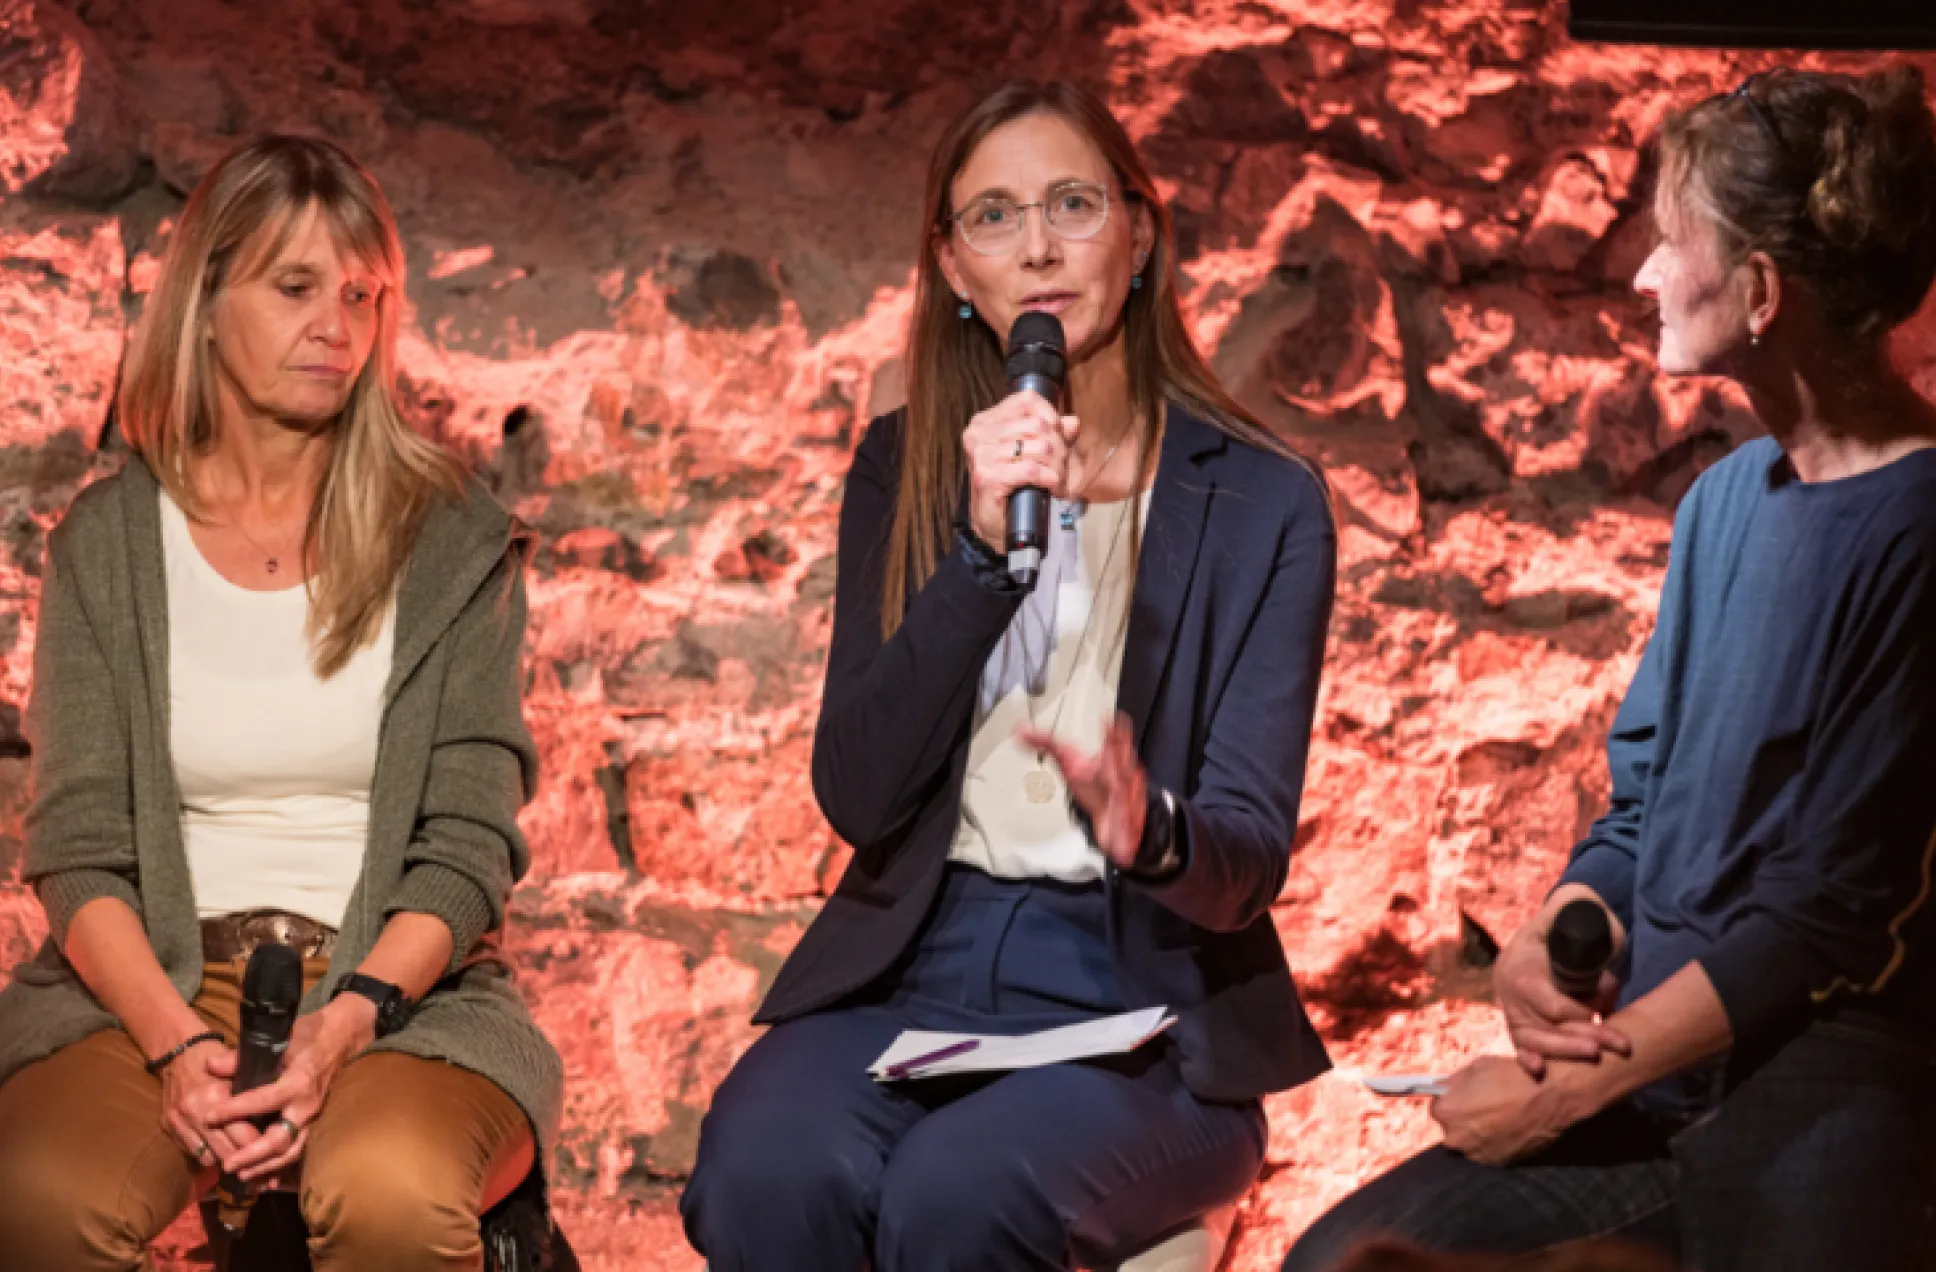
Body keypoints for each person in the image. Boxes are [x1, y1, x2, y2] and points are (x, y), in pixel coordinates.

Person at [1282, 65, 1936, 1272]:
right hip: (1644, 1067)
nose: (1639, 274)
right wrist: (1565, 922)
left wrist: (1555, 1097)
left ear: (1756, 290)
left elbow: (1831, 909)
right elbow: (1642, 804)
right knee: (1339, 1259)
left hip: (1820, 1064)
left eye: (1669, 240)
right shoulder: (1722, 507)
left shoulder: (1917, 526)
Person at [680, 78, 1337, 1269]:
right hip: (918, 960)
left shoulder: (1264, 502)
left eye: (1072, 204)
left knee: (957, 1194)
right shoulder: (908, 466)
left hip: (1141, 991)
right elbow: (858, 794)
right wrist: (980, 560)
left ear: (1138, 235)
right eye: (991, 217)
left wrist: (1154, 828)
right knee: (761, 1172)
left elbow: (1245, 865)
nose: (1035, 246)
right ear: (950, 267)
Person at [0, 134, 563, 1272]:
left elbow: (464, 847)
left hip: (391, 989)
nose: (337, 326)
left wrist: (342, 1023)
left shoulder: (450, 540)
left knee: (390, 1192)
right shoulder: (107, 548)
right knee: (37, 1199)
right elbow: (77, 848)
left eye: (362, 294)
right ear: (205, 300)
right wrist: (173, 1049)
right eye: (296, 286)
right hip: (155, 988)